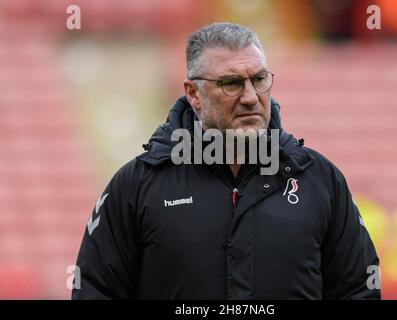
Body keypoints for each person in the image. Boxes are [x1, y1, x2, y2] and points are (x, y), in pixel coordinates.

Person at [72, 22, 381, 300]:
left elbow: (358, 288)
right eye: (231, 83)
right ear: (193, 93)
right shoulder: (137, 185)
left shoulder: (320, 180)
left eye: (259, 79)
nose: (250, 96)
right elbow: (95, 290)